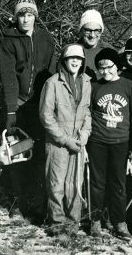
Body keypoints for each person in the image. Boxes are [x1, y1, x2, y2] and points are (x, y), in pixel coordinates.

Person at [0, 0, 55, 222]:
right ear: (16, 17)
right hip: (20, 104)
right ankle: (18, 203)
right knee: (18, 155)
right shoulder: (9, 39)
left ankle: (39, 204)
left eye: (29, 15)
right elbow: (9, 76)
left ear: (35, 17)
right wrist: (11, 110)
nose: (25, 19)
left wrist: (50, 105)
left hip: (40, 104)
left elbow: (51, 73)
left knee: (40, 155)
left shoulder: (46, 38)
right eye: (21, 15)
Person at [87, 48, 132, 240]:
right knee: (97, 183)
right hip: (97, 142)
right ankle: (95, 220)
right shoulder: (94, 87)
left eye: (109, 67)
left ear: (117, 66)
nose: (105, 71)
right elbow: (87, 115)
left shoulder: (129, 86)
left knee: (118, 184)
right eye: (101, 68)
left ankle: (119, 222)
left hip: (120, 143)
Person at [39, 43, 91, 236]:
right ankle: (57, 222)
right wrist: (64, 139)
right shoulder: (53, 82)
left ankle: (73, 222)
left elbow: (88, 113)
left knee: (75, 184)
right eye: (71, 58)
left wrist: (85, 134)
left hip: (78, 141)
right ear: (64, 60)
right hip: (58, 142)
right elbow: (46, 116)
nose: (75, 61)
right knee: (56, 183)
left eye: (79, 58)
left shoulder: (86, 82)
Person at [78, 9, 114, 81]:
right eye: (88, 30)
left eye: (96, 30)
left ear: (101, 31)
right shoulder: (73, 51)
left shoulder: (108, 50)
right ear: (81, 30)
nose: (92, 35)